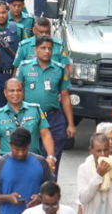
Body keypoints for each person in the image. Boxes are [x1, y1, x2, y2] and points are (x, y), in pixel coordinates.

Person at [13, 36, 75, 175]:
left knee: (52, 157)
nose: (47, 51)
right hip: (30, 117)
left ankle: (49, 191)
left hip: (53, 118)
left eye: (50, 49)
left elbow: (65, 97)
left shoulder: (59, 69)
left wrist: (70, 124)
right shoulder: (24, 67)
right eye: (43, 48)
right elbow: (16, 92)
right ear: (35, 50)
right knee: (30, 154)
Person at [0, 78, 57, 166]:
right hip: (8, 164)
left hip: (33, 162)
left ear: (23, 91)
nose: (15, 93)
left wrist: (51, 157)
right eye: (11, 91)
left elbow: (46, 134)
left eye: (18, 90)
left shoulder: (35, 110)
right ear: (5, 92)